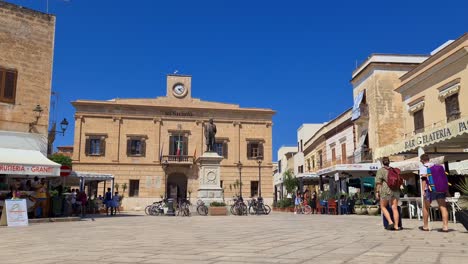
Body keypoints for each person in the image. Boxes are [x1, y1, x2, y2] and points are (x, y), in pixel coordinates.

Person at [419, 154, 450, 232]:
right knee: (443, 207)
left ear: (422, 160)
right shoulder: (438, 166)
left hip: (429, 190)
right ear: (428, 159)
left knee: (426, 208)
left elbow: (423, 179)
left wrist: (423, 190)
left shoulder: (423, 167)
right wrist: (447, 190)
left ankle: (425, 226)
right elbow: (444, 178)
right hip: (440, 189)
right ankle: (445, 226)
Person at [375, 157, 401, 230]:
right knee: (394, 207)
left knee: (383, 206)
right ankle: (396, 226)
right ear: (389, 162)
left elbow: (378, 183)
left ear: (383, 163)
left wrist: (377, 192)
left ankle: (390, 222)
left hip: (385, 190)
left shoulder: (381, 171)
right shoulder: (394, 170)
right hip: (395, 190)